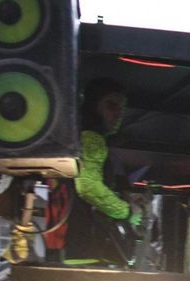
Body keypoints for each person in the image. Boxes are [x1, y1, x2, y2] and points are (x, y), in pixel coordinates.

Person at [60, 79, 142, 267]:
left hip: (73, 247)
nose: (118, 114)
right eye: (111, 105)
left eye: (121, 108)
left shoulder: (74, 140)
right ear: (93, 106)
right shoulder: (92, 139)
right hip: (90, 246)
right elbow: (88, 187)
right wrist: (126, 211)